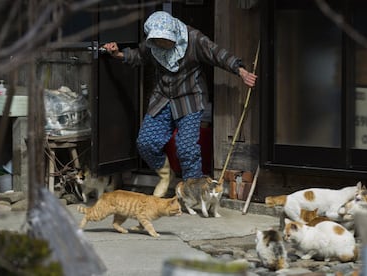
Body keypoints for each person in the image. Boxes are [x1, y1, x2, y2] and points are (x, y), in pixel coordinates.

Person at [103, 11, 257, 197]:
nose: (163, 44)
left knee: (186, 148)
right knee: (145, 143)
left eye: (166, 40)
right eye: (159, 41)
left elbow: (218, 54)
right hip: (163, 97)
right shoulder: (153, 43)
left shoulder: (193, 39)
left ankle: (193, 191)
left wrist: (240, 71)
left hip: (189, 98)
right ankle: (165, 174)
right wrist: (118, 54)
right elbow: (139, 56)